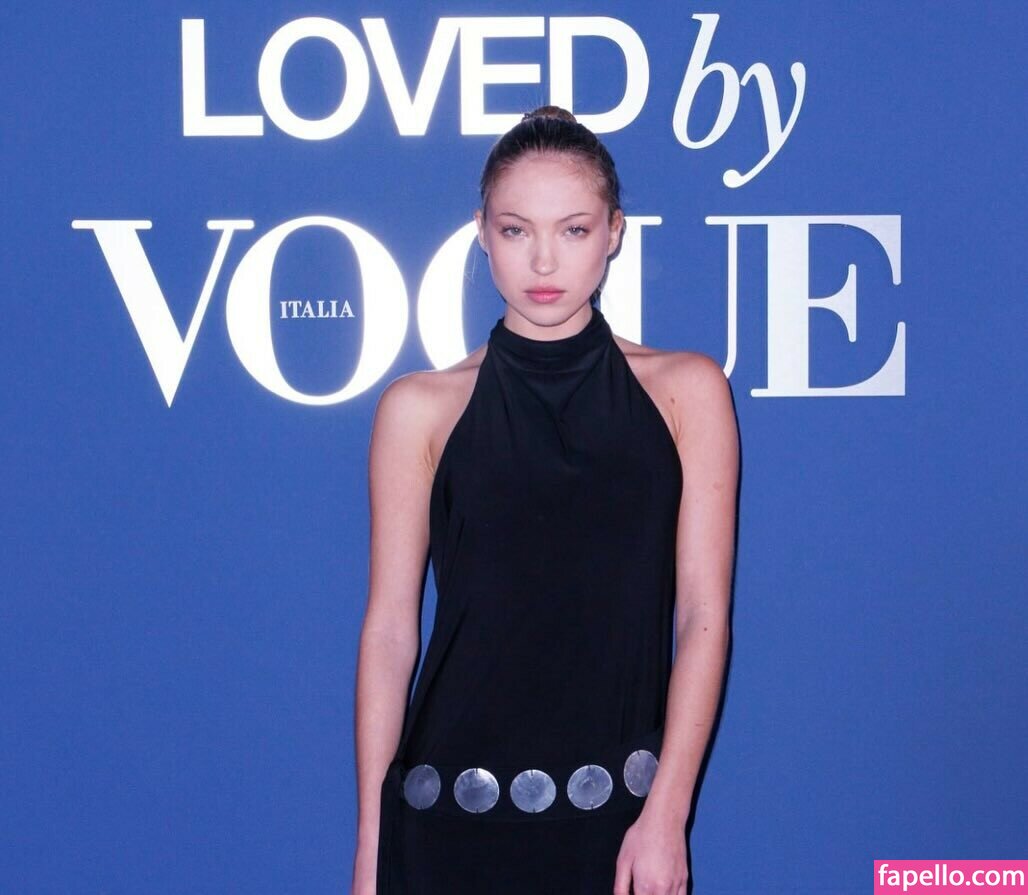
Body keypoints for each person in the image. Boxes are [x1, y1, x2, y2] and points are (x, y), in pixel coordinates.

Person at [352, 106, 738, 895]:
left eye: (573, 228)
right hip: (443, 827)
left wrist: (667, 814)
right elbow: (390, 631)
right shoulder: (418, 408)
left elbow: (703, 614)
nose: (543, 259)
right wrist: (372, 849)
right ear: (482, 233)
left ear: (614, 232)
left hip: (621, 832)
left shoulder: (686, 392)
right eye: (515, 229)